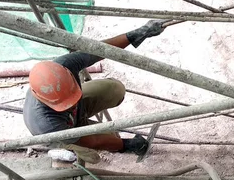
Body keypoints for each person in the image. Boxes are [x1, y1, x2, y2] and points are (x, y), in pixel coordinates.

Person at [23, 20, 168, 162]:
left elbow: (99, 50)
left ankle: (83, 118)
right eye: (67, 104)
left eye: (72, 99)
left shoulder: (63, 67)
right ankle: (70, 149)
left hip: (74, 113)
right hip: (63, 131)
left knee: (115, 90)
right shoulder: (47, 124)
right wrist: (126, 145)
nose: (71, 105)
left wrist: (137, 34)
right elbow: (94, 141)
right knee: (101, 147)